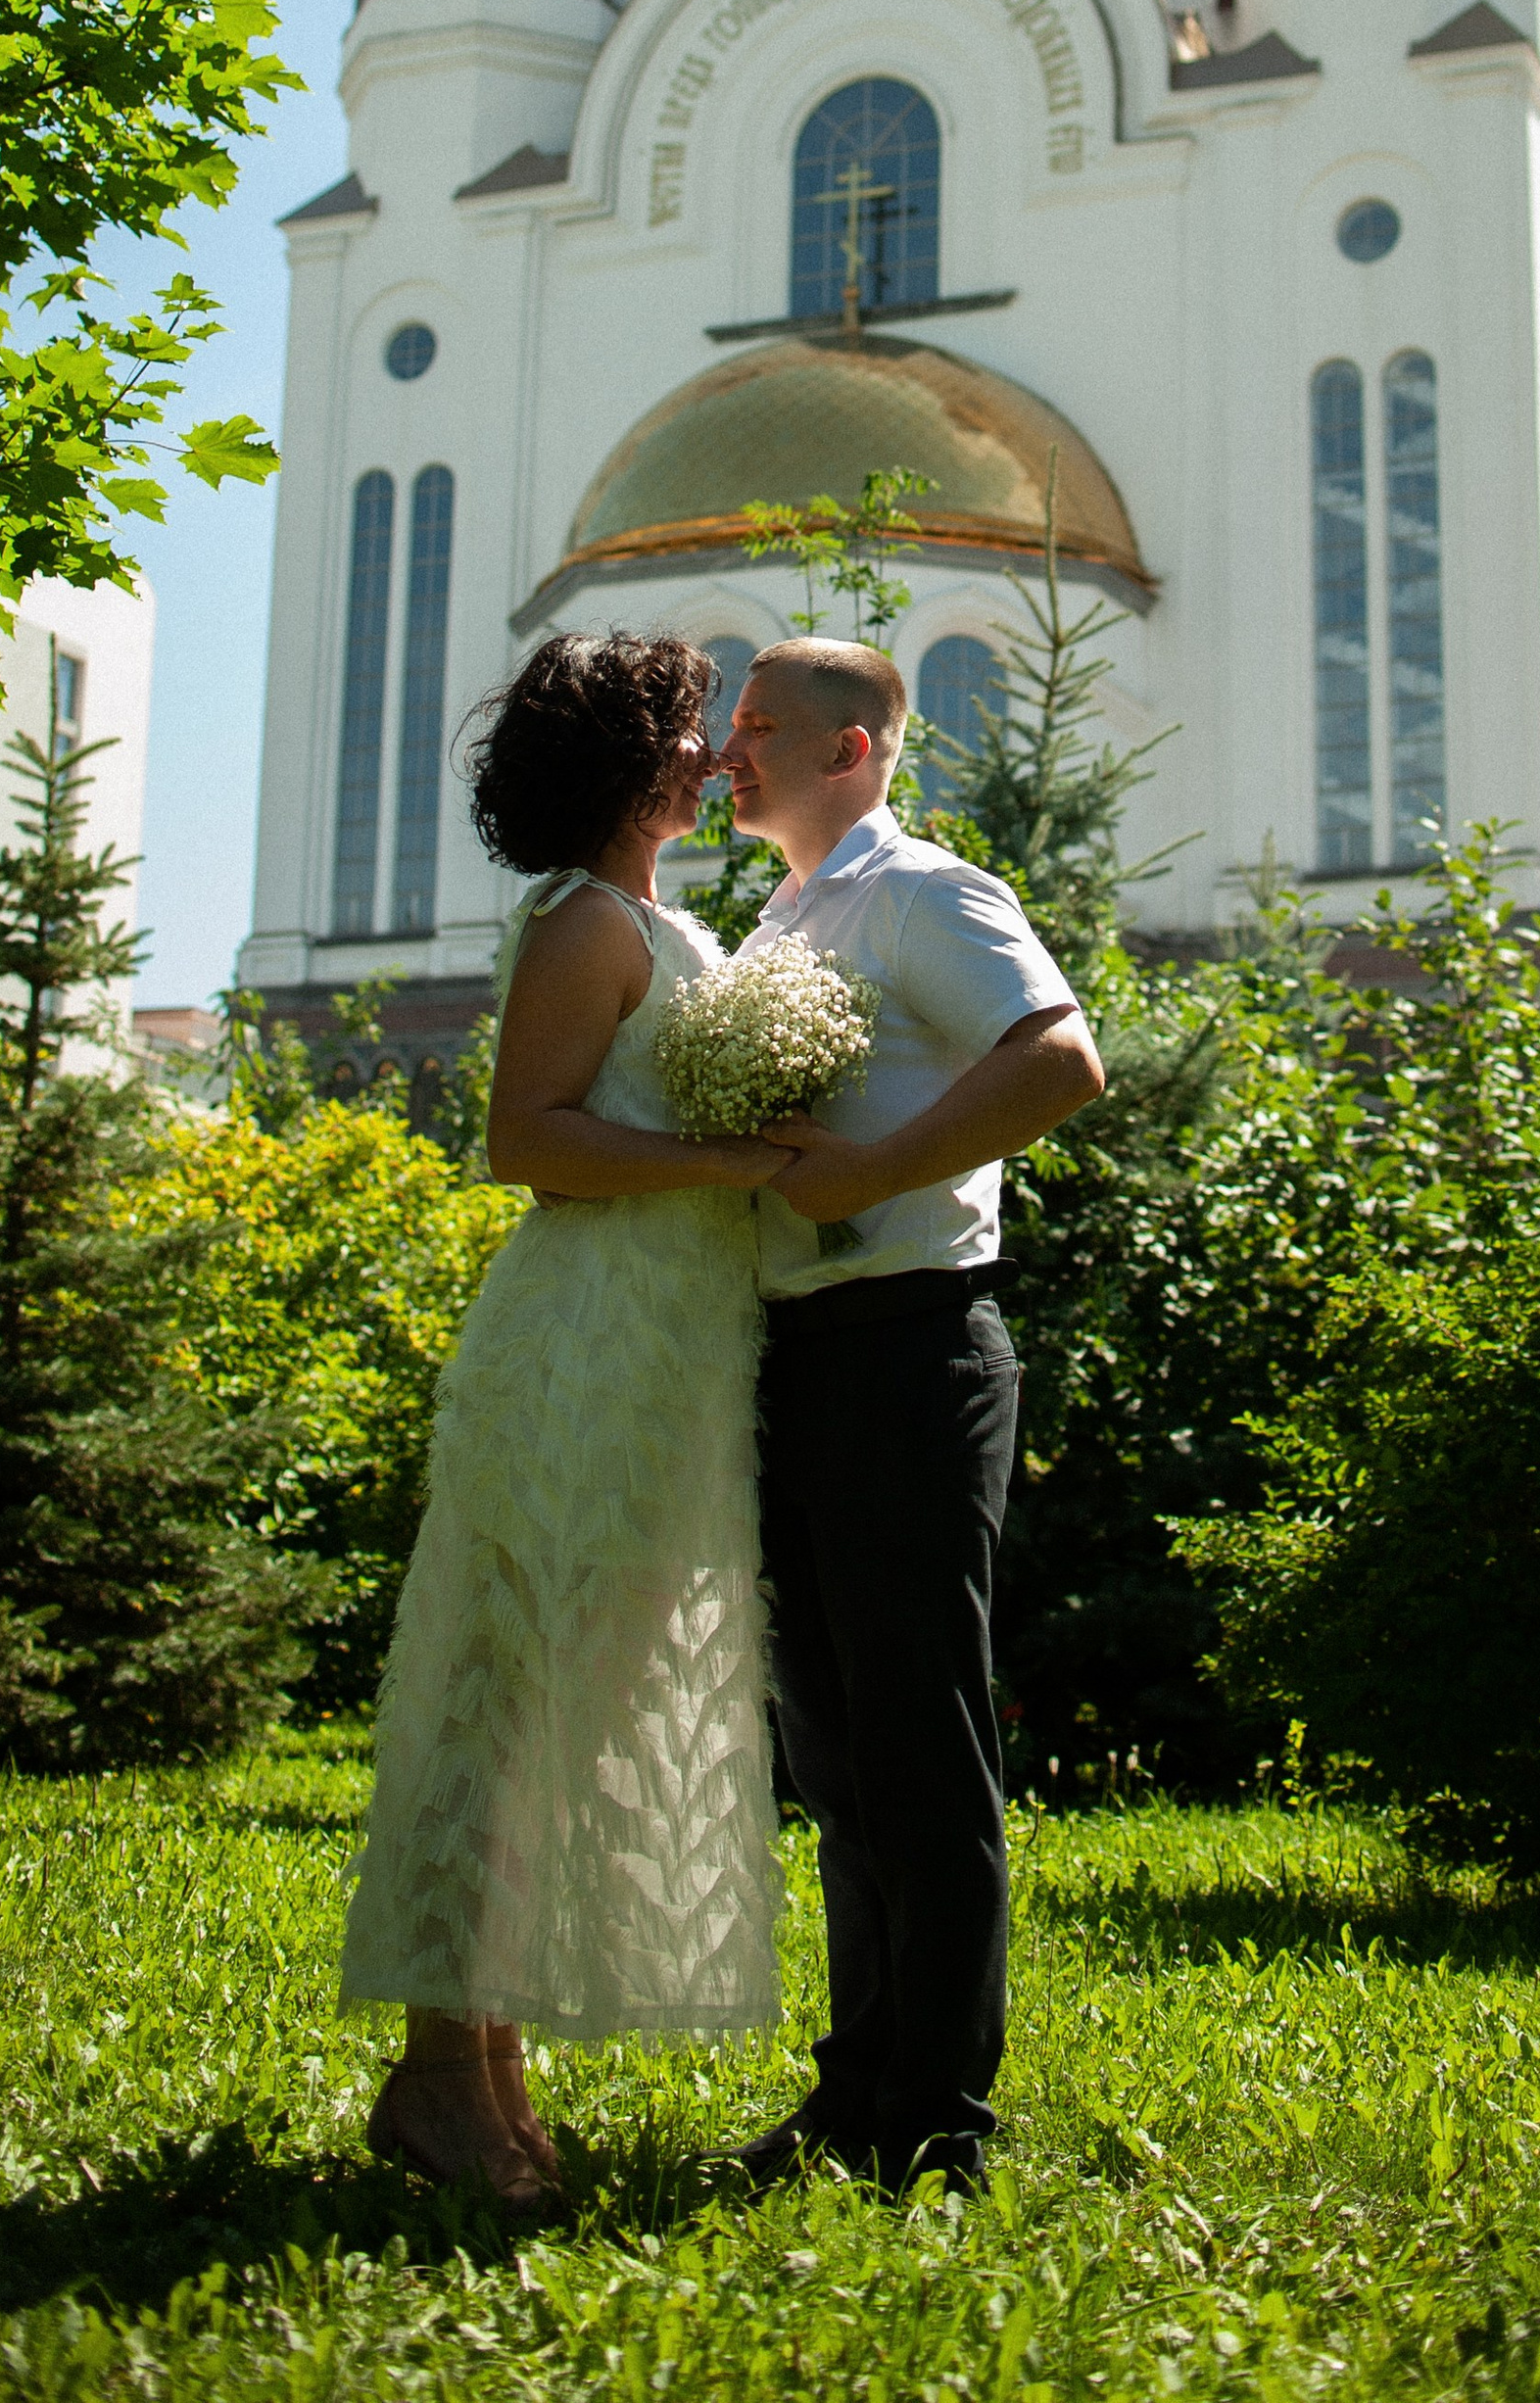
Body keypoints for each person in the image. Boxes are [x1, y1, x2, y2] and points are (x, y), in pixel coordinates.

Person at [339, 630, 791, 2205]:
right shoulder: (587, 922)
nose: (713, 754)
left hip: (672, 1344)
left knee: (576, 1707)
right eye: (688, 730)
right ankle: (435, 2071)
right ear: (627, 762)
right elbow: (527, 1143)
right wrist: (726, 1166)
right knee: (513, 1702)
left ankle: (490, 2059)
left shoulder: (669, 920)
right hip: (587, 1341)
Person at [717, 636, 1106, 2195]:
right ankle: (857, 2088)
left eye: (758, 729)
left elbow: (1062, 1061)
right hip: (795, 1357)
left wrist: (870, 1178)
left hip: (906, 1349)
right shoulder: (781, 914)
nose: (723, 752)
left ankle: (938, 2118)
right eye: (727, 725)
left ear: (853, 751)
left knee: (919, 1748)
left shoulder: (924, 892)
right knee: (832, 1748)